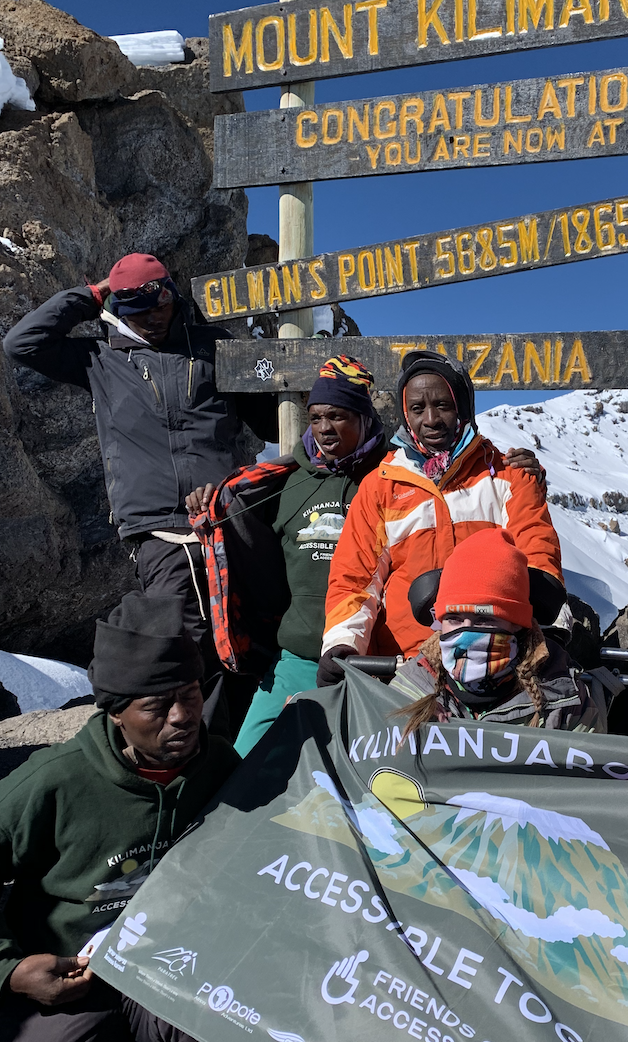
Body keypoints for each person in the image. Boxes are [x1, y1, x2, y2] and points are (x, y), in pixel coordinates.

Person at [300, 532, 605, 1042]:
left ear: (522, 633)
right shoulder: (398, 693)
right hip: (404, 923)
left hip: (514, 939)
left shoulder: (570, 710)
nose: (467, 644)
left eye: (489, 629)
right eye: (453, 626)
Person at [0, 593, 263, 1042]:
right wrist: (12, 971)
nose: (181, 716)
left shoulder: (222, 769)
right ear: (116, 711)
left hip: (177, 973)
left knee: (226, 1022)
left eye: (192, 695)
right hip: (70, 986)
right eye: (157, 705)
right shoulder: (51, 784)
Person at [3, 254, 277, 730]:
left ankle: (237, 752)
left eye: (157, 305)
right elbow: (21, 343)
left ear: (172, 295)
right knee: (183, 638)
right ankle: (199, 753)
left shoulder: (214, 348)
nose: (150, 319)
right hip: (159, 530)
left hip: (225, 516)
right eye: (134, 311)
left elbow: (271, 421)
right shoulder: (100, 360)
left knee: (244, 633)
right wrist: (94, 293)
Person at [186, 354, 389, 757]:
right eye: (316, 418)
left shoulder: (392, 477)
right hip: (296, 656)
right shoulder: (287, 483)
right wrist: (210, 509)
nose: (325, 428)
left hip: (373, 666)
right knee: (243, 765)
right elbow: (247, 549)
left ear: (364, 417)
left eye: (338, 415)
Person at [319, 350, 564, 675]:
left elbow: (535, 552)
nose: (430, 419)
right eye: (417, 408)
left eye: (442, 406)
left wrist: (545, 605)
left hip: (494, 659)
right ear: (405, 415)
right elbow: (355, 580)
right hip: (405, 665)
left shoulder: (509, 475)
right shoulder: (381, 486)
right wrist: (343, 643)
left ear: (462, 407)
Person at [389, 528, 609, 732]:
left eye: (484, 619)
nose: (466, 633)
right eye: (454, 619)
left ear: (517, 624)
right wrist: (410, 723)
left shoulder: (564, 700)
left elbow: (588, 768)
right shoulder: (409, 688)